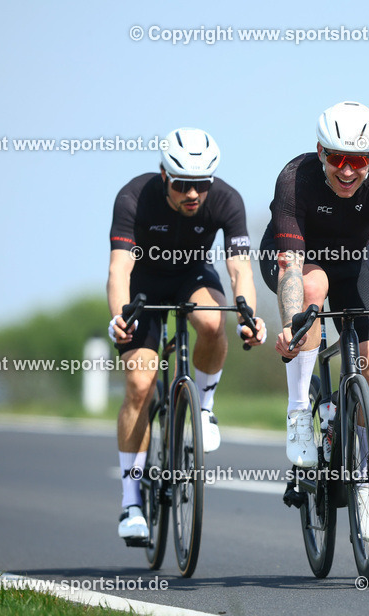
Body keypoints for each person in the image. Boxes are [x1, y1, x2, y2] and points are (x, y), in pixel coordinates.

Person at [260, 102, 369, 542]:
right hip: (294, 259)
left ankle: (367, 484)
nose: (348, 170)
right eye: (337, 158)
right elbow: (291, 265)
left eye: (359, 160)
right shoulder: (295, 177)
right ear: (321, 151)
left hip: (353, 261)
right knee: (312, 291)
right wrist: (293, 326)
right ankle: (300, 410)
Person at [107, 127, 266, 543]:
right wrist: (119, 316)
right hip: (143, 284)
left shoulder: (227, 199)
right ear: (164, 175)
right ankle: (131, 502)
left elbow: (240, 269)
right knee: (139, 385)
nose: (193, 194)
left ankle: (205, 408)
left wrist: (248, 315)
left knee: (214, 323)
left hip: (192, 276)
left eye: (201, 184)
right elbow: (119, 268)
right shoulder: (133, 196)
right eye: (182, 185)